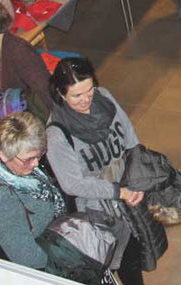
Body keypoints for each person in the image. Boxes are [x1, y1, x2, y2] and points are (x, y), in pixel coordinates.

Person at [45, 57, 146, 284]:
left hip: (128, 194)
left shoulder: (105, 98)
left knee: (135, 259)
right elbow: (73, 184)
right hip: (99, 214)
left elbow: (129, 135)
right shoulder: (57, 135)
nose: (86, 100)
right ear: (61, 94)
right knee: (119, 264)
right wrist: (117, 192)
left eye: (89, 90)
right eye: (76, 95)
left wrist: (136, 173)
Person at [0, 112, 67, 271]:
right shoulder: (2, 198)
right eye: (29, 159)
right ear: (4, 155)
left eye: (39, 155)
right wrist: (61, 264)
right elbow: (27, 257)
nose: (36, 164)